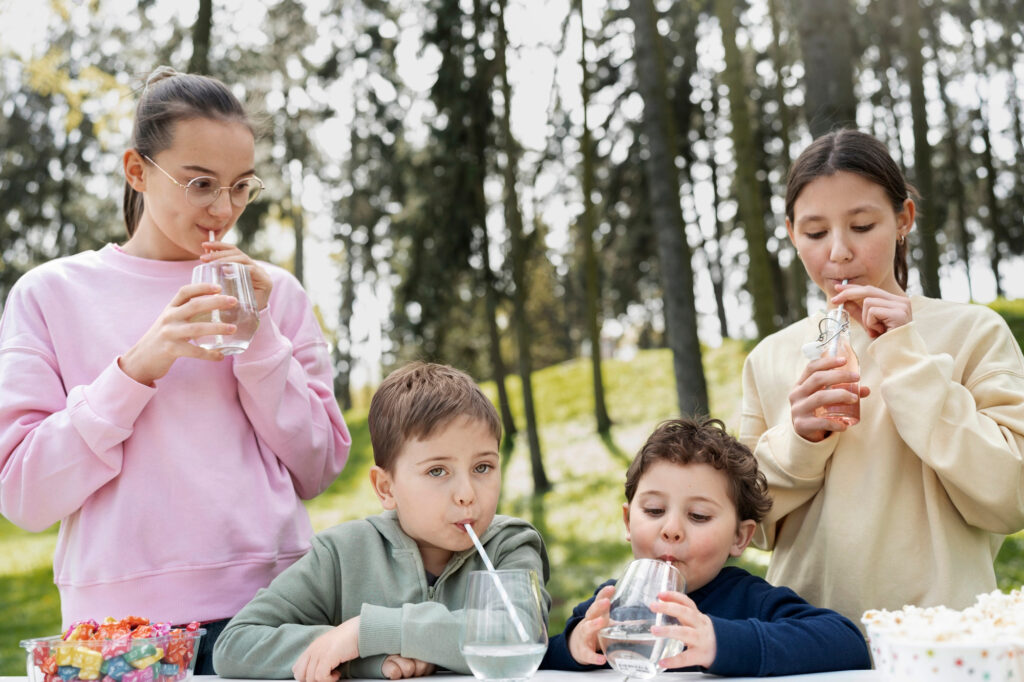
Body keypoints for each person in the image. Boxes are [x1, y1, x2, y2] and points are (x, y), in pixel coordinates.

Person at [0, 67, 352, 672]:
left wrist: (260, 340)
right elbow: (23, 495)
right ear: (137, 171)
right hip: (118, 634)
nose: (224, 209)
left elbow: (319, 465)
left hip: (275, 612)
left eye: (241, 187)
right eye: (200, 184)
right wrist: (137, 367)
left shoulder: (278, 295)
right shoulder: (50, 294)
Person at [740, 128, 1024, 626]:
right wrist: (798, 440)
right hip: (803, 644)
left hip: (940, 643)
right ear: (791, 234)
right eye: (815, 233)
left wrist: (907, 357)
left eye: (862, 225)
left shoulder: (973, 332)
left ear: (903, 220)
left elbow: (1011, 498)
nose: (839, 252)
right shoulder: (769, 357)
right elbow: (747, 525)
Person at [212, 361, 551, 681]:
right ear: (386, 488)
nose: (466, 494)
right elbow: (236, 645)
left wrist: (368, 631)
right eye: (437, 471)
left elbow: (519, 634)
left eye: (482, 468)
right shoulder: (341, 554)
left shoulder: (510, 545)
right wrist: (360, 657)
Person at [541, 417, 870, 677]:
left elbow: (847, 643)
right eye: (654, 510)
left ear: (739, 537)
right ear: (628, 522)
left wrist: (722, 642)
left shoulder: (751, 600)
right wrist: (576, 643)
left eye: (698, 516)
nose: (671, 530)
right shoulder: (612, 603)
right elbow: (541, 658)